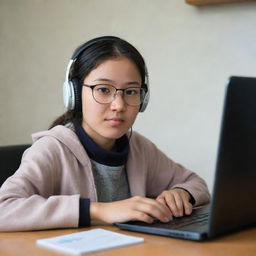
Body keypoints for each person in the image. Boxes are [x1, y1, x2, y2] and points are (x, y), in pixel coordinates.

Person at [0, 36, 210, 231]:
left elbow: (196, 183)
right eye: (103, 89)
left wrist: (182, 194)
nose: (118, 105)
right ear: (74, 94)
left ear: (143, 99)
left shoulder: (138, 147)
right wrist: (99, 210)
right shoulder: (52, 150)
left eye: (130, 92)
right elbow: (4, 208)